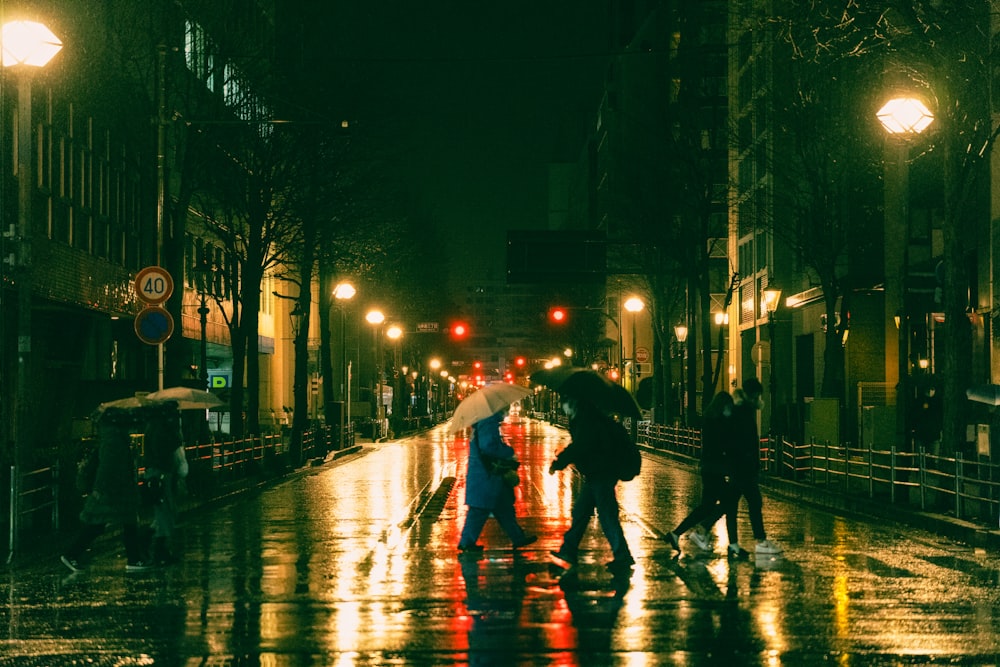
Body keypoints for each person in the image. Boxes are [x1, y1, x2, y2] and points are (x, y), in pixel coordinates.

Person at [61, 407, 153, 573]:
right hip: (114, 491)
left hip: (116, 490)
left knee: (111, 523)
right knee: (111, 523)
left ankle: (134, 558)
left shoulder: (113, 437)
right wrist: (102, 488)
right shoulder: (114, 440)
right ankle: (72, 554)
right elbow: (109, 467)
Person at [549, 397, 634, 571]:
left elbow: (581, 445)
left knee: (607, 515)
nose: (563, 406)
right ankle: (569, 550)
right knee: (581, 511)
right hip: (599, 471)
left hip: (601, 472)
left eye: (564, 403)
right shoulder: (591, 417)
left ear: (572, 404)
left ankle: (622, 556)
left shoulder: (585, 420)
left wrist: (559, 462)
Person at [457, 409, 537, 553]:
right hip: (486, 475)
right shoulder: (488, 422)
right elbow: (488, 446)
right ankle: (466, 542)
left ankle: (518, 537)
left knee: (503, 507)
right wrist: (508, 451)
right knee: (479, 509)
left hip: (488, 474)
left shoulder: (486, 420)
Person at [667, 390, 735, 554]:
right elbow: (721, 446)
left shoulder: (710, 420)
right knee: (728, 502)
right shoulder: (717, 422)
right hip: (714, 469)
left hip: (709, 468)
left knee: (706, 506)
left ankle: (676, 533)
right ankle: (701, 530)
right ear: (723, 406)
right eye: (728, 406)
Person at [723, 378, 783, 557]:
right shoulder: (744, 412)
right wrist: (752, 463)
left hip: (736, 466)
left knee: (731, 505)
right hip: (744, 467)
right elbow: (747, 441)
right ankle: (760, 541)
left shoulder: (736, 409)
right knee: (754, 502)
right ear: (754, 394)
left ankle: (731, 542)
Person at [142, 401, 189, 566]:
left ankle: (154, 547)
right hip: (160, 475)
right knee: (165, 512)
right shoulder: (161, 430)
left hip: (159, 474)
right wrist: (176, 437)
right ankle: (156, 550)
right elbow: (165, 449)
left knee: (165, 512)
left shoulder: (155, 427)